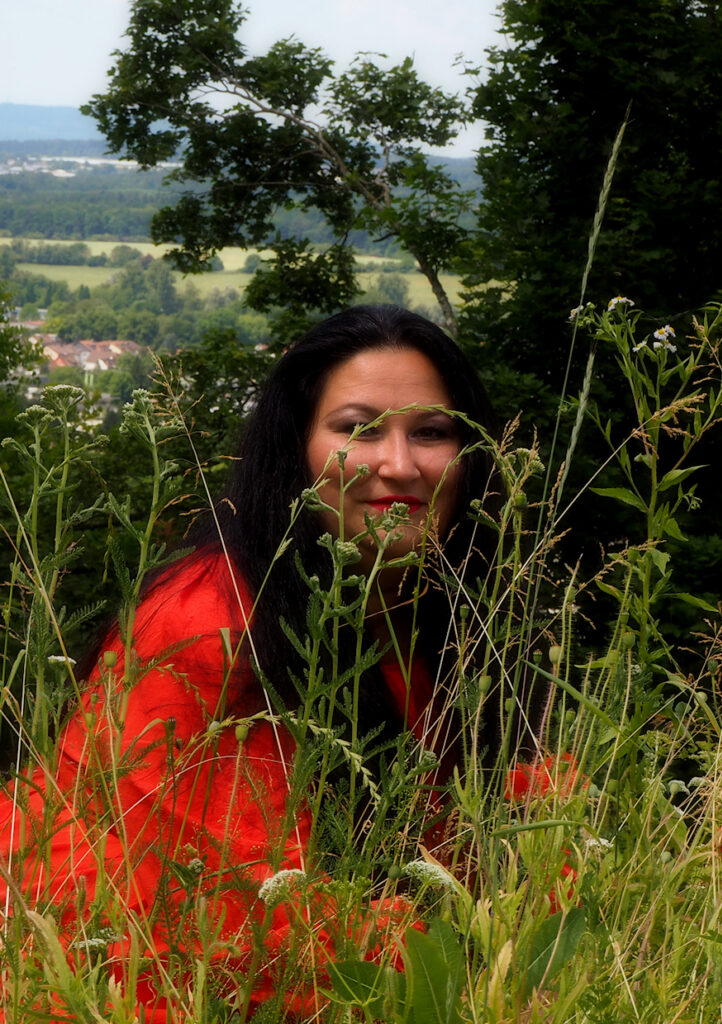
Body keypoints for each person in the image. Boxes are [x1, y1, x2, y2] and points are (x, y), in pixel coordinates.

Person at [0, 306, 536, 1020]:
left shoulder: (438, 612)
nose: (400, 465)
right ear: (296, 451)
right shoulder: (210, 621)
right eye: (357, 428)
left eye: (431, 433)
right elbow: (194, 910)